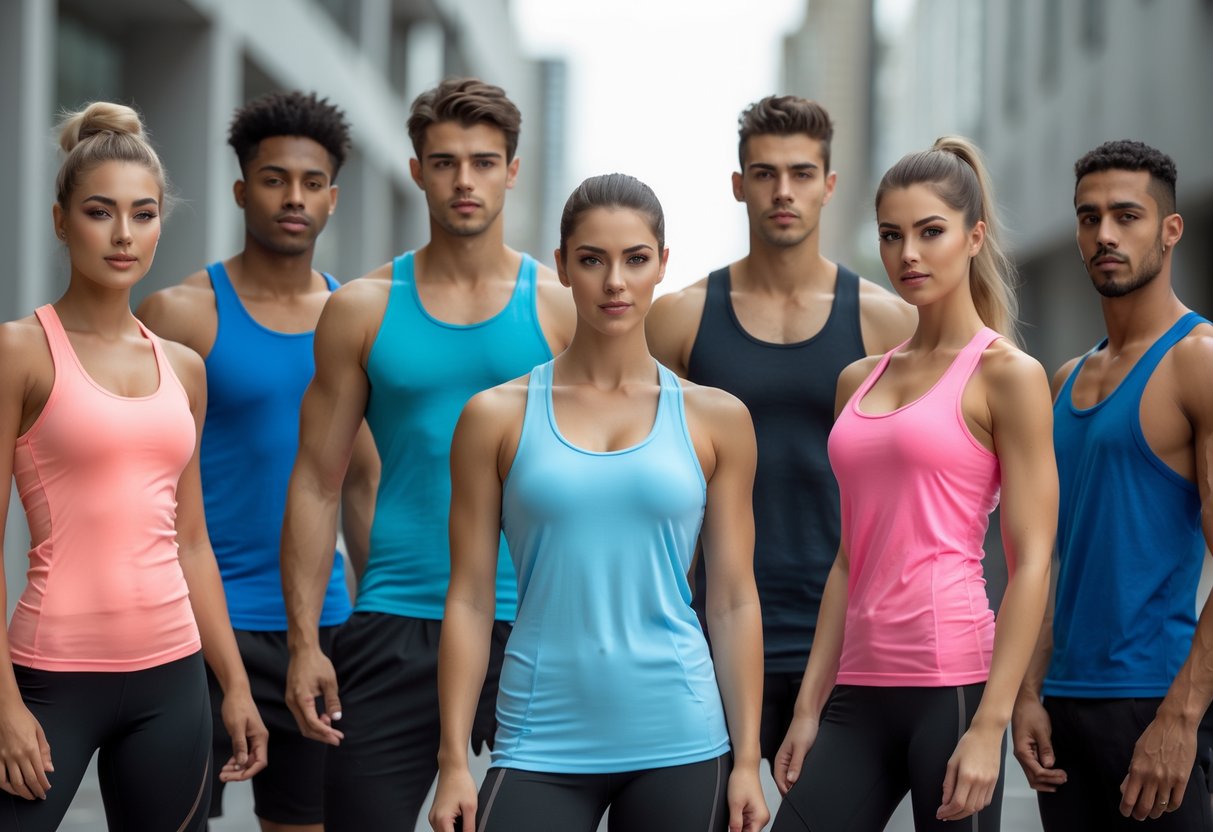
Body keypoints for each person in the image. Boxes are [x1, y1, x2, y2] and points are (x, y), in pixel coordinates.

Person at [428, 173, 768, 832]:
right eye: (592, 259)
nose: (614, 280)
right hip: (537, 736)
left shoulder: (716, 419)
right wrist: (452, 762)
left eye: (635, 259)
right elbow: (469, 598)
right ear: (561, 267)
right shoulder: (495, 417)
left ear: (661, 267)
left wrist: (748, 760)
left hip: (681, 734)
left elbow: (731, 599)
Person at [280, 77, 576, 831]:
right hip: (397, 615)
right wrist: (307, 642)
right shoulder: (362, 308)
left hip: (535, 618)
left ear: (512, 169)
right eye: (444, 162)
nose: (464, 180)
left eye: (483, 162)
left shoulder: (559, 307)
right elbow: (317, 482)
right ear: (415, 170)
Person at [770, 137, 1055, 831]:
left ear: (973, 235)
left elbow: (1032, 562)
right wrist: (807, 709)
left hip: (950, 685)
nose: (909, 255)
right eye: (892, 235)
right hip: (856, 690)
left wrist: (991, 722)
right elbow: (847, 559)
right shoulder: (856, 379)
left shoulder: (1006, 376)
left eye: (930, 232)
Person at [0, 103, 267, 830]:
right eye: (100, 212)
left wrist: (234, 686)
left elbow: (190, 543)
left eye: (143, 214)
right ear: (61, 221)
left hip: (173, 681)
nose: (124, 235)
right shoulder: (19, 351)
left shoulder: (182, 367)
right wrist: (3, 705)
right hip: (49, 679)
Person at [647, 95, 916, 768]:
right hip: (712, 631)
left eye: (800, 173)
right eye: (764, 174)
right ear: (738, 185)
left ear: (829, 185)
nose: (782, 191)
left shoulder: (886, 323)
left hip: (845, 637)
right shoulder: (679, 319)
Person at [137, 90, 377, 832]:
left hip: (320, 626)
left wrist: (371, 620)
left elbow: (362, 480)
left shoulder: (357, 318)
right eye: (274, 179)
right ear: (242, 190)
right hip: (195, 624)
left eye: (311, 182)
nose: (293, 197)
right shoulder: (181, 313)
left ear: (333, 197)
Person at [1011, 140, 1213, 829]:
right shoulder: (1066, 379)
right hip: (1063, 710)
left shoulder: (1198, 362)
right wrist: (1028, 690)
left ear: (1169, 229)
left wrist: (1181, 720)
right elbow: (1054, 556)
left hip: (1154, 699)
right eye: (1087, 217)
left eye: (1126, 215)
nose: (1103, 234)